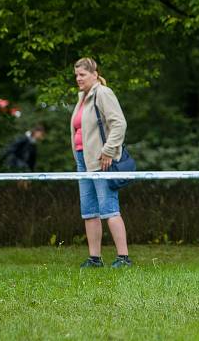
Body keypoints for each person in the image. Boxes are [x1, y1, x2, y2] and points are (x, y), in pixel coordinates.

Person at [70, 57, 132, 268]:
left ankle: (123, 257)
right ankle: (94, 258)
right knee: (89, 210)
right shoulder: (82, 97)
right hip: (83, 160)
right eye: (76, 75)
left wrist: (108, 151)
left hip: (101, 160)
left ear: (95, 74)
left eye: (82, 74)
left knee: (109, 208)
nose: (78, 78)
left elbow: (119, 124)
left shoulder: (103, 93)